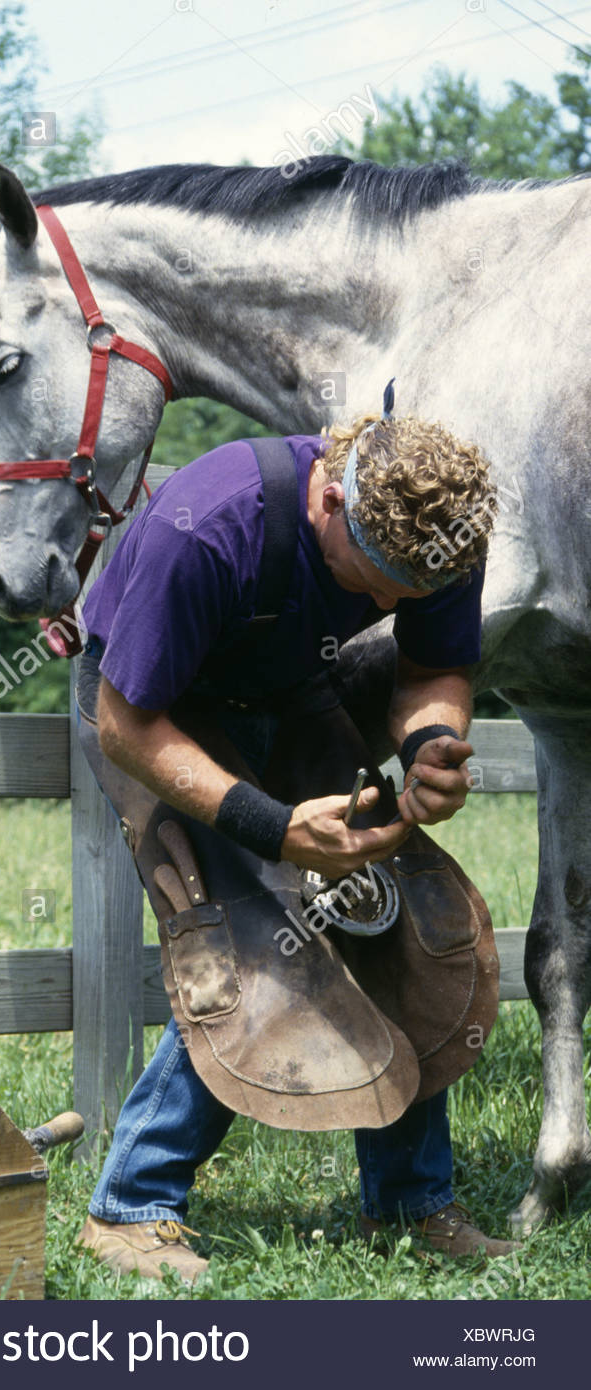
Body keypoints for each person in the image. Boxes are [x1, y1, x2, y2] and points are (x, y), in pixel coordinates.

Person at [74, 388, 517, 1283]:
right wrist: (271, 829)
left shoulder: (439, 535)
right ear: (329, 500)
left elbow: (434, 666)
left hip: (291, 693)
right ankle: (129, 1209)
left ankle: (410, 1202)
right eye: (384, 578)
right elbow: (127, 722)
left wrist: (430, 745)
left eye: (419, 586)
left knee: (381, 916)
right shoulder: (207, 528)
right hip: (155, 711)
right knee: (247, 946)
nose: (399, 599)